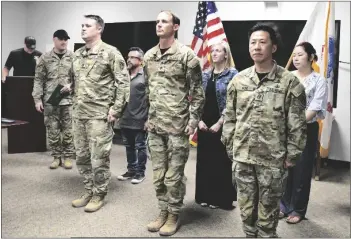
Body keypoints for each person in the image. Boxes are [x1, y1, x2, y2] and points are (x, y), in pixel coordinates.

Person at [221, 23, 307, 238]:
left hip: (273, 160)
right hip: (243, 158)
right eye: (253, 42)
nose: (256, 47)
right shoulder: (238, 81)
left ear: (273, 47)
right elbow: (229, 116)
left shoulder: (289, 82)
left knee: (268, 214)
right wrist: (231, 146)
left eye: (262, 42)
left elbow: (297, 124)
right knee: (246, 210)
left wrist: (291, 156)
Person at [143, 10, 205, 236]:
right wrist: (148, 118)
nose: (159, 25)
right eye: (157, 21)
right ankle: (162, 210)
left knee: (174, 175)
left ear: (175, 26)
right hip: (155, 125)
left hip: (178, 126)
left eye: (164, 21)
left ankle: (173, 214)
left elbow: (197, 93)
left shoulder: (187, 56)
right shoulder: (149, 56)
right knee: (158, 174)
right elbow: (149, 90)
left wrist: (193, 120)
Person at [70, 15, 129, 213]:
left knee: (99, 158)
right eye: (82, 25)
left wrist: (116, 109)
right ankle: (88, 189)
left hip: (99, 116)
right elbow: (76, 82)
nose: (83, 28)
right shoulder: (77, 54)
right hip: (79, 115)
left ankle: (99, 193)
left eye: (88, 25)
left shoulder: (111, 53)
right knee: (82, 156)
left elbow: (123, 82)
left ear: (99, 29)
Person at [280, 42, 328, 224]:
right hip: (283, 128)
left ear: (311, 57)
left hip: (305, 128)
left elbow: (314, 108)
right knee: (284, 167)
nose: (296, 58)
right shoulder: (287, 76)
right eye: (295, 55)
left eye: (300, 55)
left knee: (301, 169)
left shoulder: (319, 80)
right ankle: (283, 205)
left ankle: (297, 209)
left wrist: (294, 124)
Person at [195, 41, 237, 210]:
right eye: (212, 51)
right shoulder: (205, 74)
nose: (214, 53)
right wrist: (198, 120)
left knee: (220, 162)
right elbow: (197, 99)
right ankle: (204, 195)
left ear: (226, 54)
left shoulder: (233, 75)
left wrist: (220, 122)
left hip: (222, 124)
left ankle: (220, 198)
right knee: (204, 161)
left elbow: (234, 103)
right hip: (204, 123)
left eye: (218, 51)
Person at [32, 30, 75, 170]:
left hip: (68, 100)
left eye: (66, 39)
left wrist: (71, 86)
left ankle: (68, 156)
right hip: (51, 100)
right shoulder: (45, 58)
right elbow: (38, 80)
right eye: (61, 39)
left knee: (68, 130)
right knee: (53, 130)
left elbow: (80, 78)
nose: (64, 42)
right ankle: (56, 157)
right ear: (54, 39)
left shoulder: (73, 57)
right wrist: (37, 99)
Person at [117, 47, 148, 184]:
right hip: (125, 117)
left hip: (140, 118)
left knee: (140, 146)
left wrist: (148, 119)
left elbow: (151, 99)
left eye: (132, 57)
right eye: (128, 57)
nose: (128, 60)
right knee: (129, 146)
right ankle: (131, 170)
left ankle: (140, 173)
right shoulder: (123, 75)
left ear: (140, 61)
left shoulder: (145, 76)